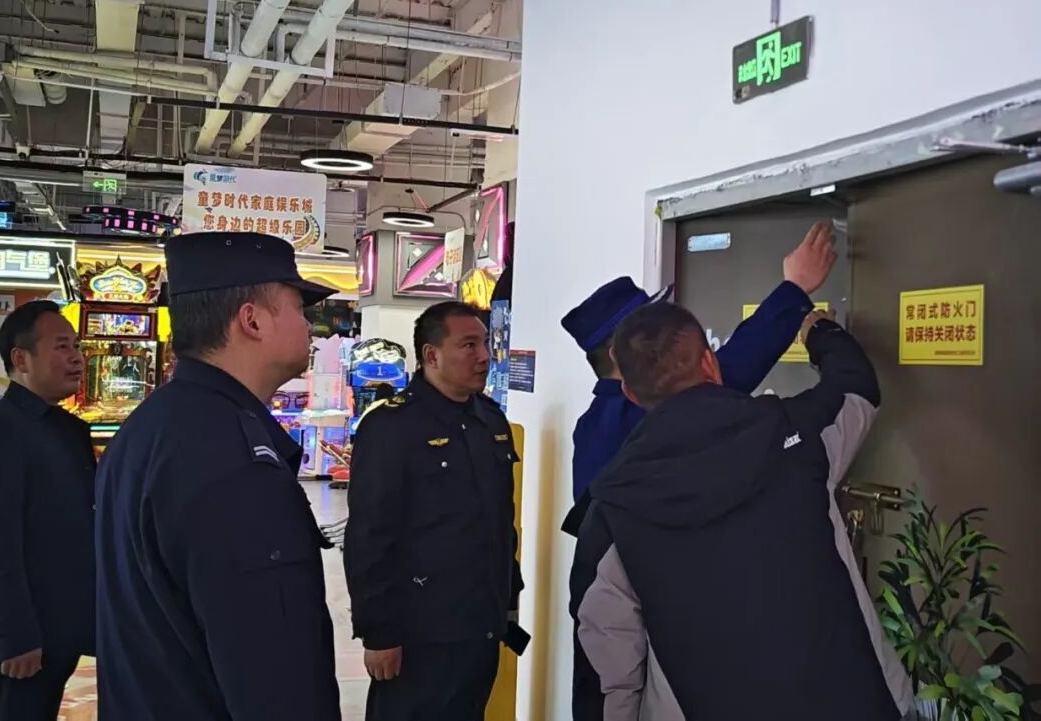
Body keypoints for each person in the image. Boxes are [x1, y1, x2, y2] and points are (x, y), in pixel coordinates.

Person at [571, 303, 914, 721]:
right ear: (710, 363)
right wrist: (819, 331)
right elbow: (857, 389)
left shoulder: (612, 509)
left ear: (629, 392)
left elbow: (607, 663)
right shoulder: (799, 434)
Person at [95, 232, 341, 720]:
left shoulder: (151, 426)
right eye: (299, 309)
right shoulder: (233, 458)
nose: (310, 327)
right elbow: (272, 671)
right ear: (252, 320)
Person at [561, 222, 837, 505]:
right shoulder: (636, 412)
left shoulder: (590, 428)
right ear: (616, 355)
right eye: (650, 332)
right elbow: (735, 365)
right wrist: (794, 289)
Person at [344, 301, 525, 721]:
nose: (484, 356)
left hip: (478, 624)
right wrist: (379, 632)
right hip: (419, 631)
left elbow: (501, 524)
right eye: (469, 345)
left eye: (485, 344)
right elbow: (370, 536)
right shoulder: (391, 426)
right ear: (431, 355)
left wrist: (508, 601)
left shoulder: (491, 422)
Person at [0, 300, 94, 720]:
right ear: (21, 359)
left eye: (76, 346)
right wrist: (15, 636)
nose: (77, 358)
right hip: (14, 644)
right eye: (61, 346)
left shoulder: (69, 431)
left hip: (59, 630)